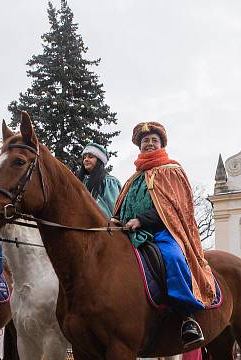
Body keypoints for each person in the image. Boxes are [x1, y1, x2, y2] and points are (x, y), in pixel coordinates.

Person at [112, 122, 215, 347]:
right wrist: (116, 219)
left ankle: (187, 316)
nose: (149, 144)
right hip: (129, 232)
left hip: (163, 231)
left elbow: (174, 206)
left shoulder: (171, 170)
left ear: (161, 144)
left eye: (153, 141)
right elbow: (124, 205)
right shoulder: (133, 178)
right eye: (145, 141)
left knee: (173, 257)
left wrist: (142, 220)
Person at [77, 142, 121, 219]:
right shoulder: (81, 181)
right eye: (84, 157)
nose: (86, 160)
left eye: (90, 157)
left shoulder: (109, 182)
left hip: (102, 227)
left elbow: (113, 210)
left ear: (99, 161)